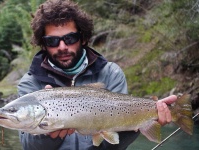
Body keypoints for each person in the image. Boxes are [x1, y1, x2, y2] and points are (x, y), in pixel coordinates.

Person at [17, 0, 177, 150]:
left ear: (84, 38)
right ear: (43, 44)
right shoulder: (30, 83)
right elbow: (28, 146)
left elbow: (115, 145)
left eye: (70, 38)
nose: (62, 46)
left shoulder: (111, 73)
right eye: (52, 41)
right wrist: (49, 135)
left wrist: (144, 121)